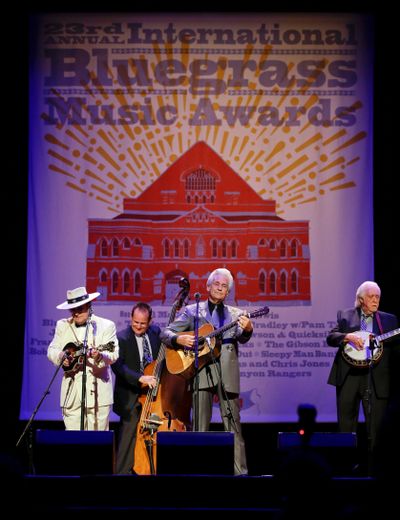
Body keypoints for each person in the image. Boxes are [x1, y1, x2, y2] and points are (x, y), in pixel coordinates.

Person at [160, 267, 253, 475]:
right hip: (201, 372)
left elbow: (243, 337)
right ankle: (198, 472)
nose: (220, 288)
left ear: (228, 292)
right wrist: (179, 338)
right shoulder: (193, 311)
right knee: (200, 426)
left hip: (226, 373)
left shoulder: (236, 314)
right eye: (217, 284)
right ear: (208, 286)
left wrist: (248, 329)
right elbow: (165, 333)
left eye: (224, 286)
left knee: (234, 427)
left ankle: (240, 474)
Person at [326, 280, 399, 473]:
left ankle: (374, 470)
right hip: (349, 377)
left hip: (376, 378)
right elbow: (330, 338)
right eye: (371, 297)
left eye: (378, 297)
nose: (375, 300)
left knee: (375, 430)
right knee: (346, 427)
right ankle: (344, 469)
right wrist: (347, 337)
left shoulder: (389, 320)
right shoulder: (346, 315)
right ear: (361, 299)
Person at [48, 286, 119, 430]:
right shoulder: (63, 325)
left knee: (98, 444)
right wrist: (61, 356)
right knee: (74, 444)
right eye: (72, 309)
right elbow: (52, 350)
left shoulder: (106, 326)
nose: (75, 313)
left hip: (98, 394)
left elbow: (113, 354)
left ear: (89, 306)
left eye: (79, 309)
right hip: (71, 394)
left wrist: (99, 356)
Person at [112, 302, 161, 474]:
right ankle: (122, 476)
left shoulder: (155, 333)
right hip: (130, 396)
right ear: (131, 318)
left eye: (143, 323)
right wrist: (140, 378)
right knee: (128, 439)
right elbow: (118, 367)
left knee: (152, 436)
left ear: (150, 321)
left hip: (152, 396)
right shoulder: (121, 338)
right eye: (135, 322)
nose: (138, 326)